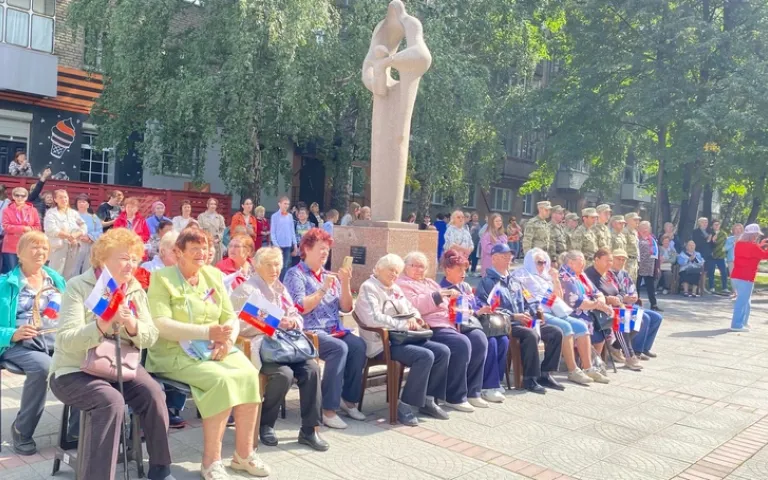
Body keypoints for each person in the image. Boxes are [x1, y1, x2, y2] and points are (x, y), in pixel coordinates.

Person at [49, 228, 174, 480]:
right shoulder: (78, 286)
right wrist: (103, 323)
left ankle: (161, 470)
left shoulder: (135, 289)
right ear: (102, 258)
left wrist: (132, 324)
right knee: (110, 401)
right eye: (124, 258)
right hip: (74, 369)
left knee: (154, 394)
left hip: (119, 364)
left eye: (135, 259)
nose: (131, 265)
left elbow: (150, 337)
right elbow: (66, 340)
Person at [146, 228, 269, 478]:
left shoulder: (212, 275)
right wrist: (207, 332)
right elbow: (160, 324)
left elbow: (230, 316)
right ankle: (211, 461)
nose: (201, 254)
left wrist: (228, 341)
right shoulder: (162, 278)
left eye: (204, 248)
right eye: (194, 249)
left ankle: (244, 454)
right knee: (221, 380)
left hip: (215, 346)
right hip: (173, 352)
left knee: (249, 374)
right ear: (178, 252)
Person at [230, 247, 329, 450]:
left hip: (287, 345)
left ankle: (309, 430)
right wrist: (272, 323)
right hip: (262, 347)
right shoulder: (246, 290)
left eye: (277, 264)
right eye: (269, 264)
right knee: (283, 374)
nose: (274, 269)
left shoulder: (280, 288)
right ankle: (266, 424)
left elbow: (295, 314)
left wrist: (292, 322)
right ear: (258, 266)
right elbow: (236, 324)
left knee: (311, 368)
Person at [284, 228, 366, 429]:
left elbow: (346, 308)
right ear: (306, 249)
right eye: (321, 248)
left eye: (327, 250)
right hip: (308, 331)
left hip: (333, 329)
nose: (325, 253)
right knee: (339, 348)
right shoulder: (295, 274)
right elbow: (300, 307)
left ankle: (348, 400)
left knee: (358, 345)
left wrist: (345, 282)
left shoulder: (330, 276)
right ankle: (328, 409)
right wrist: (322, 290)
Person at [355, 254, 451, 424]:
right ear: (379, 269)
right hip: (382, 342)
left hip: (403, 338)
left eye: (397, 272)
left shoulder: (395, 288)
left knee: (443, 351)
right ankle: (405, 405)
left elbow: (411, 308)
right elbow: (373, 318)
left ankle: (428, 399)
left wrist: (416, 318)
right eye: (391, 270)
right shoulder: (369, 287)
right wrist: (403, 324)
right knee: (424, 356)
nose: (394, 275)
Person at [0, 232, 66, 455]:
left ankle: (75, 430)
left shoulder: (56, 280)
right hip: (19, 344)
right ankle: (22, 429)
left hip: (53, 338)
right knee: (43, 367)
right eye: (34, 247)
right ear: (19, 253)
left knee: (84, 360)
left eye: (44, 247)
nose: (41, 252)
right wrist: (12, 333)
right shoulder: (5, 284)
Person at [398, 251, 490, 408]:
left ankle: (473, 391)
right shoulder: (403, 284)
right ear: (405, 267)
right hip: (430, 326)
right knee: (461, 343)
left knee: (479, 339)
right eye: (415, 266)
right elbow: (415, 305)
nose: (419, 269)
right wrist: (439, 296)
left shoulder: (429, 283)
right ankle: (454, 396)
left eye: (422, 266)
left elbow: (447, 305)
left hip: (451, 322)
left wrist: (462, 309)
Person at [476, 244, 564, 394]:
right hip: (507, 323)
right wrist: (513, 316)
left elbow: (529, 300)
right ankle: (530, 379)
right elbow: (489, 307)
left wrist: (532, 312)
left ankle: (545, 373)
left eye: (509, 256)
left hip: (525, 320)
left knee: (555, 332)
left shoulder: (515, 281)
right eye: (504, 256)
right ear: (494, 258)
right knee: (530, 335)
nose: (508, 259)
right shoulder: (488, 282)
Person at [513, 248, 608, 385]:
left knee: (581, 326)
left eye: (544, 262)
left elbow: (559, 298)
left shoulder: (546, 277)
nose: (542, 265)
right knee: (565, 327)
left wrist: (555, 280)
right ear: (530, 262)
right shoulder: (522, 275)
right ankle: (573, 370)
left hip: (556, 310)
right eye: (539, 262)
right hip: (538, 313)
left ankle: (588, 368)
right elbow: (524, 299)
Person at [440, 250, 508, 402]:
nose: (463, 274)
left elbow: (476, 303)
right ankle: (486, 386)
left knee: (503, 339)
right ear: (448, 270)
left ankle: (495, 382)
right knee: (489, 341)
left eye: (465, 270)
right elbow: (455, 315)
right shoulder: (444, 289)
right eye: (459, 270)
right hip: (460, 326)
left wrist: (485, 308)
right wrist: (476, 312)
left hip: (476, 323)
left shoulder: (465, 287)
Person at [584, 248, 643, 371]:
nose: (609, 264)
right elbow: (589, 295)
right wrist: (607, 299)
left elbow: (622, 291)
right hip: (599, 310)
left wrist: (618, 298)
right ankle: (630, 356)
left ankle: (615, 347)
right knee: (621, 320)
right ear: (596, 260)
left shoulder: (609, 274)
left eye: (611, 261)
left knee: (638, 320)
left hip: (616, 305)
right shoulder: (589, 274)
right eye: (607, 261)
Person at [559, 250, 615, 361]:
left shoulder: (581, 275)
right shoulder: (565, 277)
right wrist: (597, 305)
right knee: (588, 323)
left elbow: (597, 292)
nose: (584, 264)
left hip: (590, 309)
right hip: (573, 312)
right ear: (571, 262)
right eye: (581, 261)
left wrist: (600, 303)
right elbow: (577, 302)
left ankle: (595, 360)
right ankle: (589, 360)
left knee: (605, 322)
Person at [611, 249, 663, 359]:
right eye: (618, 259)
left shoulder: (625, 273)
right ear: (612, 259)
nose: (621, 262)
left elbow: (632, 289)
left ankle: (645, 348)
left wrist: (634, 296)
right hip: (618, 306)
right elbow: (610, 294)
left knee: (657, 317)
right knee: (644, 317)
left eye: (623, 260)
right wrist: (624, 298)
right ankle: (636, 350)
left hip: (630, 304)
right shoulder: (608, 274)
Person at [730, 224, 768, 332]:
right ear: (753, 235)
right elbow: (764, 255)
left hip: (736, 276)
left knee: (746, 301)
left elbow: (752, 252)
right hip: (746, 277)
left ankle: (743, 322)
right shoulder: (753, 247)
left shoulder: (738, 244)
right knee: (742, 301)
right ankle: (736, 325)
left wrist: (760, 245)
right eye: (756, 235)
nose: (757, 236)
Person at [44, 189, 87, 279]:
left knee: (69, 273)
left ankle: (65, 288)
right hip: (59, 247)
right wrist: (68, 236)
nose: (64, 199)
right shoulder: (51, 213)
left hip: (73, 247)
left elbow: (84, 226)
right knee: (55, 272)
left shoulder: (73, 213)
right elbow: (51, 229)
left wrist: (76, 235)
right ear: (55, 199)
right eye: (60, 197)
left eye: (65, 197)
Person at [2, 187, 41, 273]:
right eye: (17, 195)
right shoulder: (7, 210)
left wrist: (30, 229)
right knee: (12, 272)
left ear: (26, 197)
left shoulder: (33, 210)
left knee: (26, 271)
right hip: (11, 246)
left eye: (23, 196)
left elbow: (38, 227)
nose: (20, 198)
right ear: (13, 196)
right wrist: (23, 228)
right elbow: (6, 226)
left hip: (27, 245)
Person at [74, 194, 103, 275]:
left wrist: (89, 237)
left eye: (84, 202)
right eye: (79, 202)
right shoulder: (71, 216)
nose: (81, 204)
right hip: (76, 244)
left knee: (88, 268)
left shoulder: (94, 218)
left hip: (90, 245)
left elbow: (100, 231)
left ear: (88, 204)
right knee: (73, 267)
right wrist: (79, 236)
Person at [270, 196, 298, 281]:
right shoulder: (275, 216)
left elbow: (292, 231)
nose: (286, 206)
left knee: (285, 265)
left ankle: (283, 282)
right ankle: (275, 281)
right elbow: (272, 232)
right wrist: (276, 245)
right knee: (277, 264)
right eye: (285, 203)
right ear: (279, 204)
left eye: (288, 204)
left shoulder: (290, 216)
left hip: (287, 244)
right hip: (278, 244)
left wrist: (295, 245)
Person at [637, 221, 661, 311]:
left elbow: (657, 254)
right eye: (643, 227)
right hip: (638, 264)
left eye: (646, 227)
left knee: (650, 286)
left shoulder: (653, 238)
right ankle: (636, 304)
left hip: (649, 266)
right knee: (636, 285)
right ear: (639, 228)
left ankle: (654, 304)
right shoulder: (636, 237)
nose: (645, 229)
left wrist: (657, 266)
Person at [198, 198, 227, 265]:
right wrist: (208, 239)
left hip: (217, 244)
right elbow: (200, 229)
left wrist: (218, 238)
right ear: (207, 205)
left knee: (217, 265)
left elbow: (223, 230)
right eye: (211, 204)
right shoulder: (201, 217)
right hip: (206, 243)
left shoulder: (220, 217)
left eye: (214, 204)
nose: (213, 206)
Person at [707, 219, 729, 294]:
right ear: (712, 226)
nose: (717, 226)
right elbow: (707, 243)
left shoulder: (723, 234)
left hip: (721, 256)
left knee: (724, 272)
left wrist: (725, 250)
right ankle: (712, 287)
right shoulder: (710, 233)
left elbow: (727, 243)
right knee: (711, 272)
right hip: (712, 255)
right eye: (715, 224)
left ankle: (725, 288)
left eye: (718, 224)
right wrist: (712, 240)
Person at [623, 212, 641, 280]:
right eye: (635, 220)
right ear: (628, 221)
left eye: (638, 220)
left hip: (634, 261)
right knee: (626, 282)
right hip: (627, 262)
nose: (637, 222)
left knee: (633, 283)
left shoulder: (635, 232)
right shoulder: (624, 232)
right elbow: (623, 248)